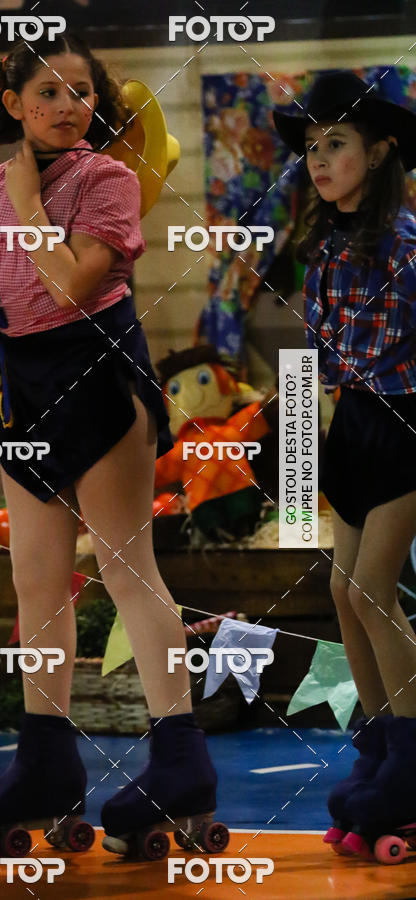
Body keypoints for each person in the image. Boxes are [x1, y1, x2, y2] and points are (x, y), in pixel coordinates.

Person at [0, 33, 220, 857]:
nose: (67, 106)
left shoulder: (109, 178)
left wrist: (30, 203)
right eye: (48, 92)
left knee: (126, 568)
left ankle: (180, 761)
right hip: (21, 390)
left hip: (99, 375)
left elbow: (71, 284)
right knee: (36, 584)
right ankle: (46, 763)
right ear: (14, 104)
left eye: (80, 92)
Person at [273, 70, 416, 854]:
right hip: (354, 424)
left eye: (336, 143)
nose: (320, 160)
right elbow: (319, 363)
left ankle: (413, 759)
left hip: (406, 421)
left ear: (381, 150)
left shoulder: (409, 247)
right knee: (342, 589)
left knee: (372, 591)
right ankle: (382, 744)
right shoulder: (324, 250)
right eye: (311, 147)